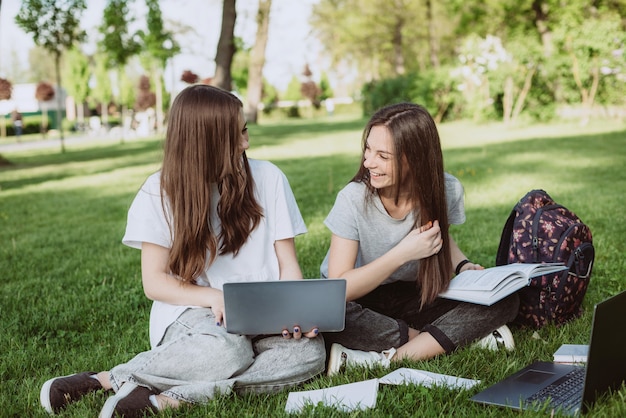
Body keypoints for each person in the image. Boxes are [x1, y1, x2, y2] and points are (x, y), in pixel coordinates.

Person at [39, 85, 326, 417]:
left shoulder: (270, 177)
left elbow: (287, 265)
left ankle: (173, 397)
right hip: (196, 314)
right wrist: (216, 297)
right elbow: (155, 283)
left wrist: (294, 313)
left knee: (309, 353)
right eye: (238, 134)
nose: (247, 142)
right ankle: (103, 380)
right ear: (207, 143)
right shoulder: (158, 192)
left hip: (266, 312)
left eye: (245, 130)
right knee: (229, 351)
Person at [320, 102, 519, 375]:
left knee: (506, 300)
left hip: (413, 294)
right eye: (368, 149)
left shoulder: (445, 189)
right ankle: (447, 340)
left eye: (382, 155)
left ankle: (388, 356)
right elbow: (339, 288)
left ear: (413, 159)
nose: (368, 162)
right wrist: (402, 253)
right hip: (359, 299)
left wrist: (462, 266)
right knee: (330, 318)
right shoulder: (352, 199)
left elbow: (440, 238)